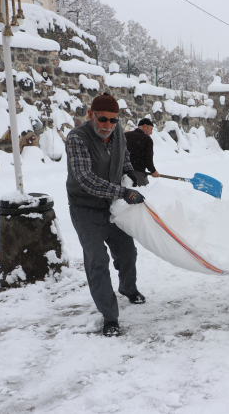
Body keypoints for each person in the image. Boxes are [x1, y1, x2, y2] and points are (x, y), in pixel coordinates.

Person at [66, 93, 147, 337]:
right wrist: (123, 191)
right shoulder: (76, 138)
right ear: (90, 115)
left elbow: (124, 157)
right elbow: (85, 179)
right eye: (103, 119)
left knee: (127, 251)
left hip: (112, 206)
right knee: (97, 261)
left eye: (113, 121)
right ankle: (110, 316)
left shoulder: (117, 132)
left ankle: (128, 288)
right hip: (85, 208)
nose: (108, 126)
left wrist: (130, 172)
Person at [124, 118, 160, 186]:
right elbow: (148, 159)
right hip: (138, 173)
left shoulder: (125, 135)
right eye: (151, 129)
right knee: (144, 193)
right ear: (145, 126)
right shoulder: (147, 139)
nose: (151, 132)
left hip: (122, 172)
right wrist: (153, 171)